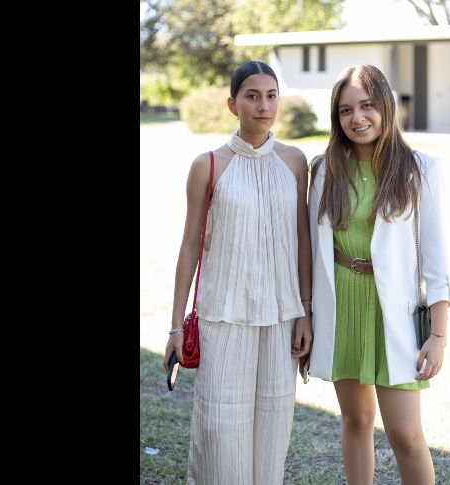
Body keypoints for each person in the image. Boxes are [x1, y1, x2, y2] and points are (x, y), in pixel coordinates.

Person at [163, 60, 313, 485]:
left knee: (272, 430)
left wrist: (305, 311)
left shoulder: (295, 162)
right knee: (220, 433)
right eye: (252, 96)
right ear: (233, 105)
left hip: (282, 318)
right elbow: (190, 245)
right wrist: (176, 327)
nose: (263, 106)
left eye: (271, 96)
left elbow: (302, 239)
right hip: (223, 317)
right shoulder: (208, 165)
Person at [307, 64, 450, 484]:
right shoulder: (324, 170)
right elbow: (314, 252)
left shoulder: (419, 168)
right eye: (346, 110)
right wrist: (308, 315)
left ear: (386, 106)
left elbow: (438, 259)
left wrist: (438, 336)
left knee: (406, 435)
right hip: (344, 308)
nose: (357, 118)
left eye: (367, 106)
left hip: (395, 313)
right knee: (356, 420)